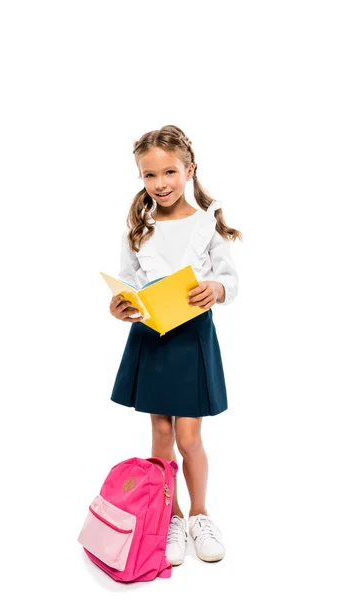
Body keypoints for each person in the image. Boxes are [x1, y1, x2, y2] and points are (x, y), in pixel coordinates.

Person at [109, 125, 242, 566]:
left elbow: (229, 278)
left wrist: (216, 290)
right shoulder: (140, 228)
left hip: (191, 338)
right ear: (141, 178)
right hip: (151, 336)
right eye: (149, 175)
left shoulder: (207, 224)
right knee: (161, 434)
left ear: (189, 169)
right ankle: (171, 515)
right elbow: (129, 280)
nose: (160, 183)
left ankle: (199, 515)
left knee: (188, 437)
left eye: (169, 171)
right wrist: (121, 303)